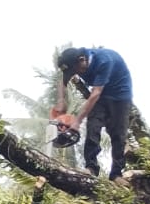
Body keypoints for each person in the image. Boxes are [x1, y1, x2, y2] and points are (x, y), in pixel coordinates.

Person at [57, 46, 134, 179]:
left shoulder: (104, 61)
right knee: (93, 127)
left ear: (82, 60)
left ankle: (116, 174)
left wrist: (77, 122)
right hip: (102, 94)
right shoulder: (75, 64)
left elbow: (95, 94)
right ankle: (91, 167)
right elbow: (62, 83)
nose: (77, 73)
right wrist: (61, 101)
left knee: (118, 134)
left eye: (76, 71)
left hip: (120, 96)